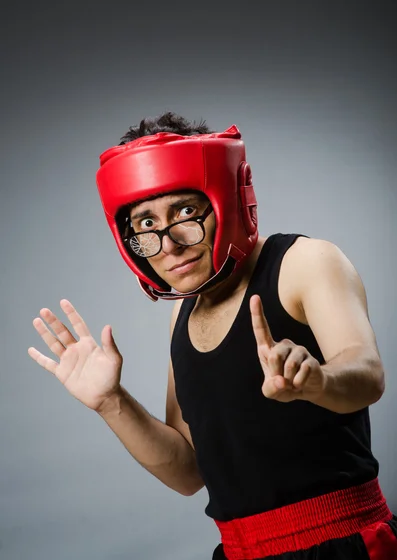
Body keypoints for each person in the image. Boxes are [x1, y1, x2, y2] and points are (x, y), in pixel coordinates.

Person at [28, 112, 397, 559]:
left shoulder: (305, 262)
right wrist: (112, 403)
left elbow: (367, 372)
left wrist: (320, 381)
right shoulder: (183, 312)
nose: (170, 244)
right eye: (146, 225)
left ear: (225, 198)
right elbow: (188, 473)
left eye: (185, 211)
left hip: (341, 545)